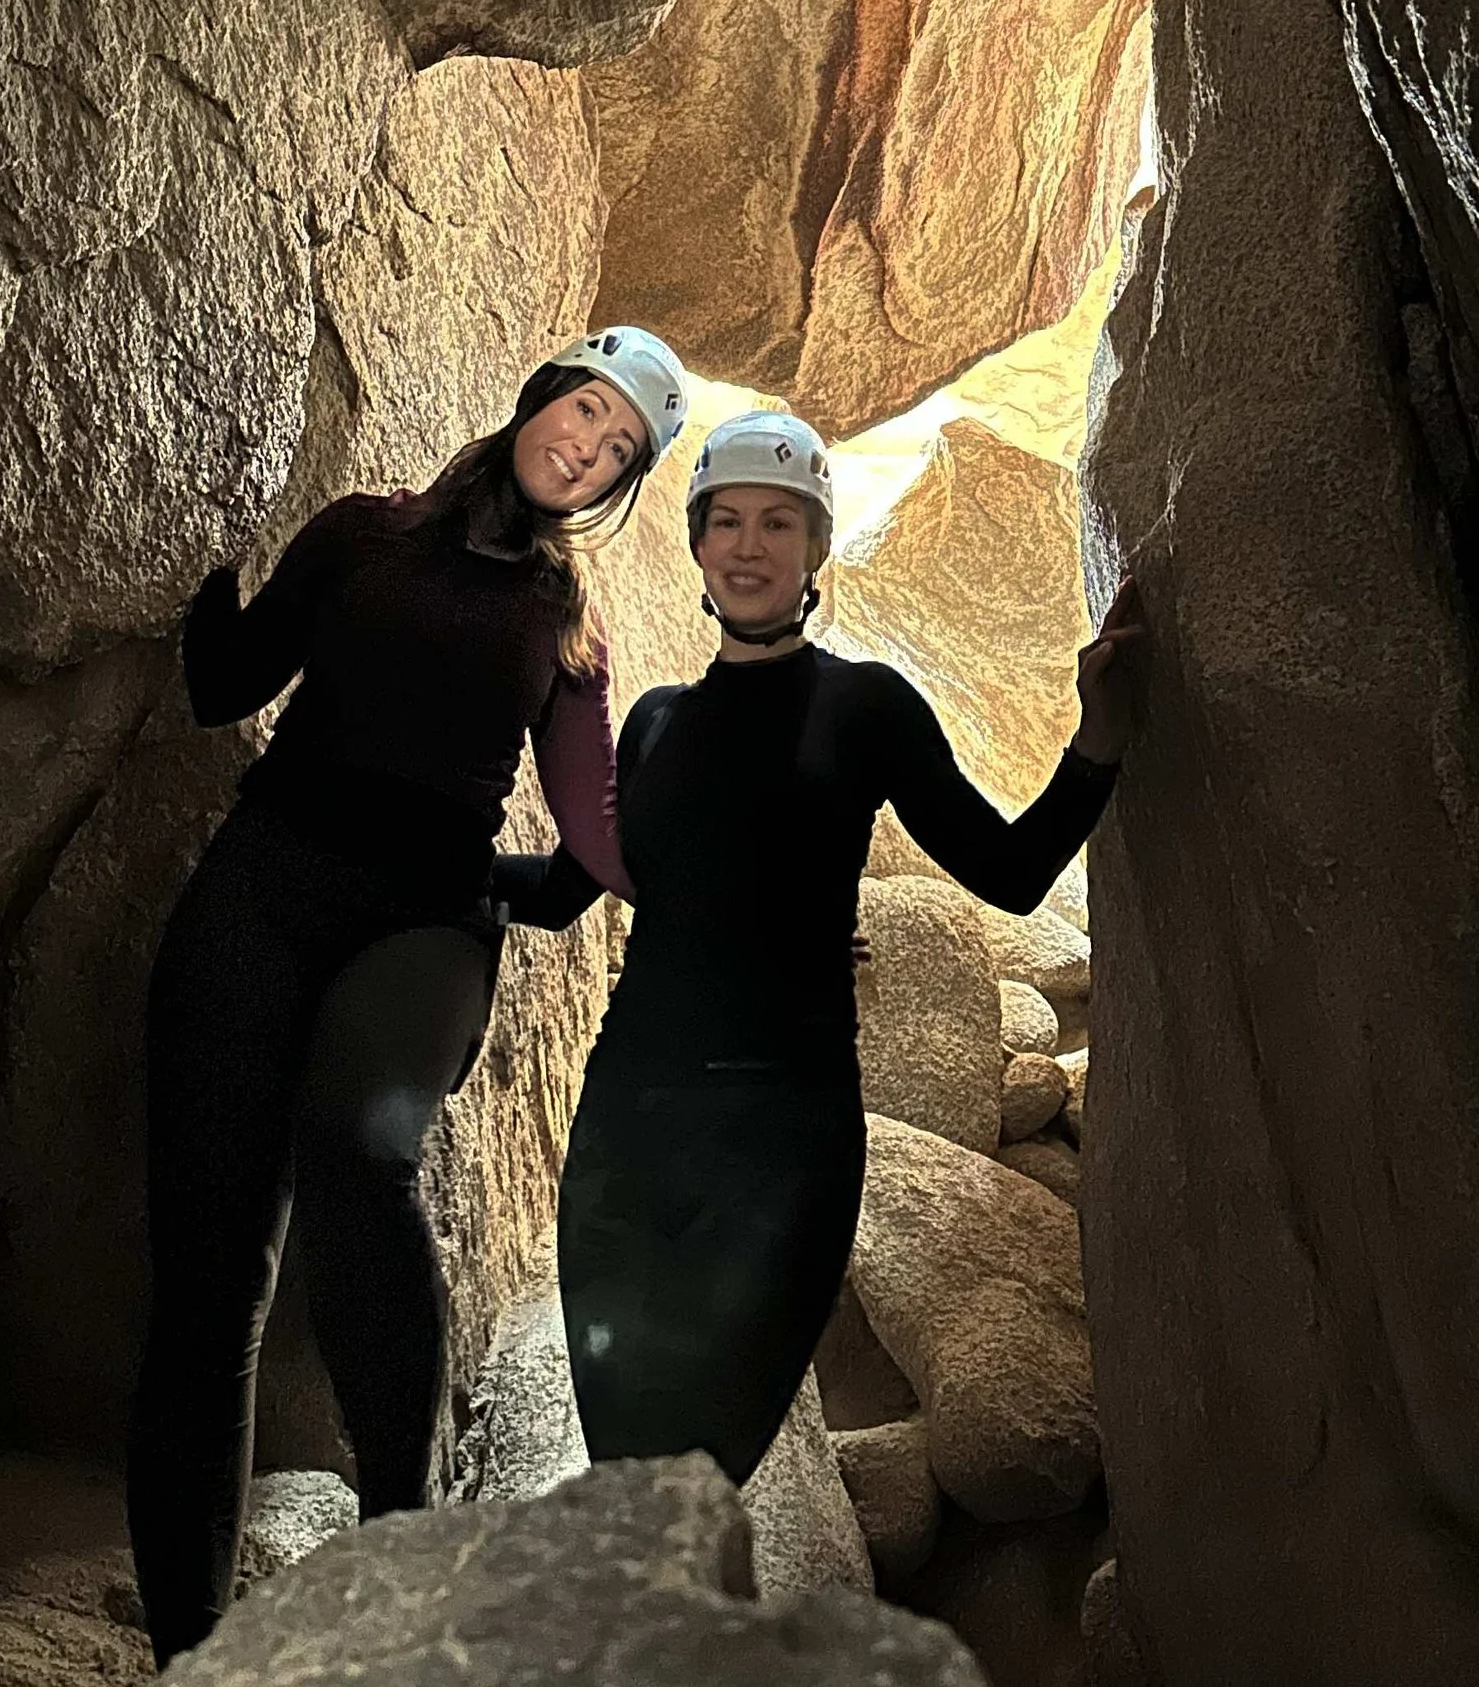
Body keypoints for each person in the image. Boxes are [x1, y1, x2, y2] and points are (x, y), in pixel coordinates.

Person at [125, 326, 690, 1666]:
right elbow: (226, 682)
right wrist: (199, 545)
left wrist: (635, 873)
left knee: (360, 1142)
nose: (588, 449)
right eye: (587, 412)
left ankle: (407, 1550)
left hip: (425, 926)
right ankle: (189, 1651)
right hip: (264, 886)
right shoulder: (360, 533)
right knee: (210, 1281)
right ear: (542, 397)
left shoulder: (565, 623)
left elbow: (593, 846)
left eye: (619, 449)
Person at [503, 405, 1145, 1488]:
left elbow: (1009, 871)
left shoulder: (866, 707)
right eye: (727, 521)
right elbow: (570, 888)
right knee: (629, 1486)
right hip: (629, 1137)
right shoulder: (655, 722)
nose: (749, 546)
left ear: (815, 547)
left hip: (783, 1141)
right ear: (697, 542)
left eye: (779, 522)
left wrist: (1097, 743)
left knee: (701, 1476)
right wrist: (402, 863)